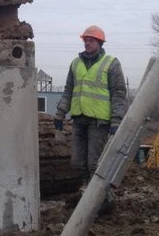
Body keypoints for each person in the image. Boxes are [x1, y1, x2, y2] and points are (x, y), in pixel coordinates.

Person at [53, 25, 126, 184]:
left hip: (99, 122)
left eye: (91, 40)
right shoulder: (75, 63)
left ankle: (100, 200)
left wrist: (116, 120)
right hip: (79, 120)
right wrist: (60, 113)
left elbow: (118, 93)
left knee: (94, 163)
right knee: (77, 163)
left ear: (100, 43)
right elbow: (68, 91)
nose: (87, 43)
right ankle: (85, 192)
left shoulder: (111, 63)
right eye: (85, 40)